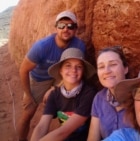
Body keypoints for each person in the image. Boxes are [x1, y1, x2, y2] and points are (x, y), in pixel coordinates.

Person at [18, 10, 86, 141]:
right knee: (28, 113)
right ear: (56, 27)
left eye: (70, 26)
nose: (66, 29)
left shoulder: (79, 46)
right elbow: (23, 70)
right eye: (62, 25)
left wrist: (54, 89)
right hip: (39, 79)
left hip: (60, 78)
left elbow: (76, 70)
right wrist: (28, 93)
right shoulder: (42, 46)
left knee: (68, 106)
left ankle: (68, 134)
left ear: (76, 29)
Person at [30, 48, 96, 141]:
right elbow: (42, 126)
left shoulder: (89, 94)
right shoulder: (54, 94)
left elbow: (64, 131)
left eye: (79, 67)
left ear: (83, 71)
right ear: (60, 70)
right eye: (68, 66)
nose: (73, 70)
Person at [87, 46, 131, 141]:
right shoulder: (99, 98)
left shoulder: (139, 98)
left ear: (125, 68)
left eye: (113, 64)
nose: (107, 71)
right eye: (101, 67)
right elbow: (93, 138)